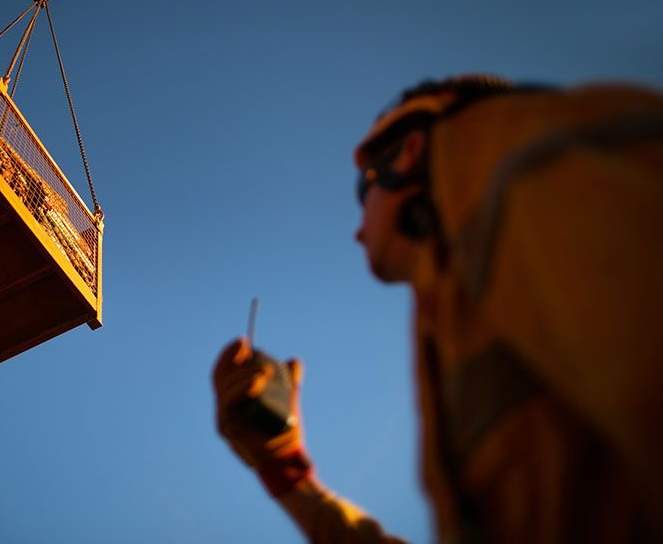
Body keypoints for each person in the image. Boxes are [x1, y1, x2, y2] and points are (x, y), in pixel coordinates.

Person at [212, 75, 663, 542]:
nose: (358, 232)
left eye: (361, 191)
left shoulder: (504, 150)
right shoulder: (463, 298)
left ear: (406, 153)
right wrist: (286, 470)